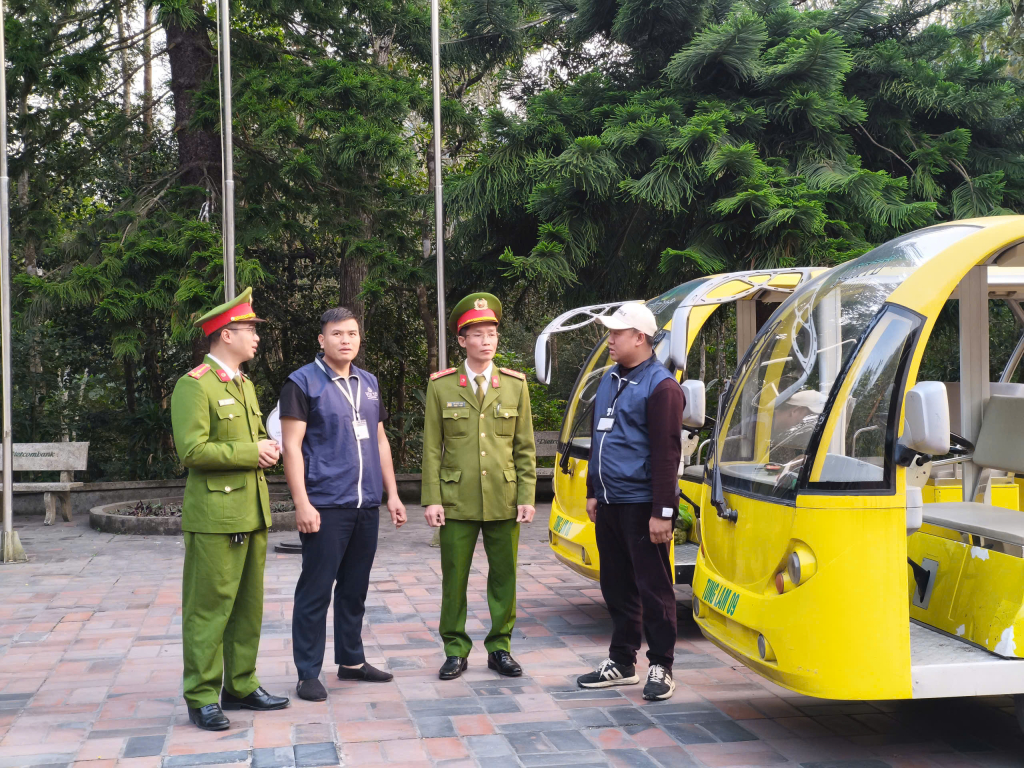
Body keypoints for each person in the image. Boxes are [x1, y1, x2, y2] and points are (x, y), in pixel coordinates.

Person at [170, 287, 290, 731]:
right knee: (208, 608)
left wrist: (266, 449)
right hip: (216, 518)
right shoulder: (194, 385)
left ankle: (240, 685)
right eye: (249, 330)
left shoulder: (244, 384)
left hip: (251, 512)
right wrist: (250, 450)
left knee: (247, 606)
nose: (256, 337)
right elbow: (192, 450)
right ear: (224, 335)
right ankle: (202, 695)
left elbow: (250, 443)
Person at [279, 307, 407, 702]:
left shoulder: (368, 382)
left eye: (352, 333)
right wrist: (302, 503)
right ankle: (307, 672)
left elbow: (380, 440)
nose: (346, 340)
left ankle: (351, 661)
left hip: (365, 504)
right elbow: (291, 447)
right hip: (325, 504)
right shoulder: (301, 382)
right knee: (316, 589)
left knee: (355, 588)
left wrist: (393, 494)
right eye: (337, 334)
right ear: (322, 339)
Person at [421, 293, 537, 680]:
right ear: (461, 340)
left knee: (504, 576)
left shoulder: (516, 386)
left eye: (492, 333)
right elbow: (432, 449)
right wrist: (432, 499)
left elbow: (524, 448)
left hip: (504, 498)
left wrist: (526, 496)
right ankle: (455, 648)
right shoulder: (441, 387)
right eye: (478, 334)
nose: (487, 341)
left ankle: (500, 647)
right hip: (456, 500)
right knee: (454, 577)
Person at [576, 302, 685, 701]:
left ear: (640, 337)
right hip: (610, 502)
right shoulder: (609, 379)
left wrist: (663, 512)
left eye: (616, 333)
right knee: (616, 585)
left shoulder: (662, 387)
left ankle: (662, 665)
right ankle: (622, 661)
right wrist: (592, 490)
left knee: (653, 588)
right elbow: (598, 438)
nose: (610, 340)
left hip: (643, 506)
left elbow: (667, 455)